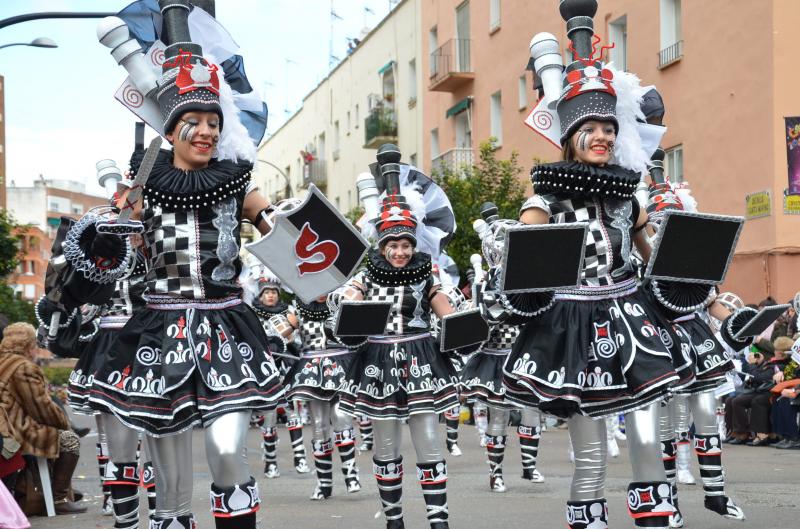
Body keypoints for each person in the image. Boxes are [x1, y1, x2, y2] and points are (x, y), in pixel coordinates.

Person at [86, 8, 284, 528]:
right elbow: (114, 256)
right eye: (194, 123)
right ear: (171, 131)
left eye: (214, 123)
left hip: (225, 327)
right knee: (170, 483)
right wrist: (101, 243)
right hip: (158, 330)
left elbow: (294, 242)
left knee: (224, 453)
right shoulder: (143, 185)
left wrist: (315, 266)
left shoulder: (238, 181)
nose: (206, 132)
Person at [500, 4, 691, 526]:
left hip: (633, 316)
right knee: (590, 456)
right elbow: (523, 263)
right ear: (571, 135)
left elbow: (653, 260)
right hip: (574, 324)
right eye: (591, 127)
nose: (603, 135)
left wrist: (692, 285)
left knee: (649, 441)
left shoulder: (631, 199)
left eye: (610, 125)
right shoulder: (545, 197)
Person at [334, 158, 459, 529]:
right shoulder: (367, 275)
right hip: (378, 362)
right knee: (386, 445)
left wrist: (465, 326)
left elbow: (446, 313)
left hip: (421, 357)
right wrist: (338, 301)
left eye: (406, 244)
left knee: (429, 440)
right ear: (383, 245)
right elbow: (345, 306)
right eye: (393, 245)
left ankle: (439, 521)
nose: (401, 252)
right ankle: (395, 521)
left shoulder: (427, 273)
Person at [281, 291, 362, 500]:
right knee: (318, 425)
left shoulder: (343, 302)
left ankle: (351, 475)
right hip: (311, 366)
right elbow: (281, 331)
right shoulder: (298, 306)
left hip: (341, 363)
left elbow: (361, 331)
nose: (319, 290)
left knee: (342, 418)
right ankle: (323, 484)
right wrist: (272, 336)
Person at [0, 323, 86, 515]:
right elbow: (42, 409)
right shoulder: (24, 368)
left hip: (5, 426)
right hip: (16, 430)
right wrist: (65, 424)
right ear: (28, 344)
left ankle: (56, 489)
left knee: (54, 435)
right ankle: (59, 497)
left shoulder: (3, 361)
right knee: (69, 440)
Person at [249, 272, 310, 479]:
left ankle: (300, 458)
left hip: (287, 368)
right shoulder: (252, 314)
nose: (271, 296)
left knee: (293, 414)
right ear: (261, 295)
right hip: (265, 371)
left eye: (274, 292)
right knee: (269, 416)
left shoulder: (289, 313)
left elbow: (297, 339)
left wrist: (289, 337)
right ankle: (271, 463)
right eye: (267, 293)